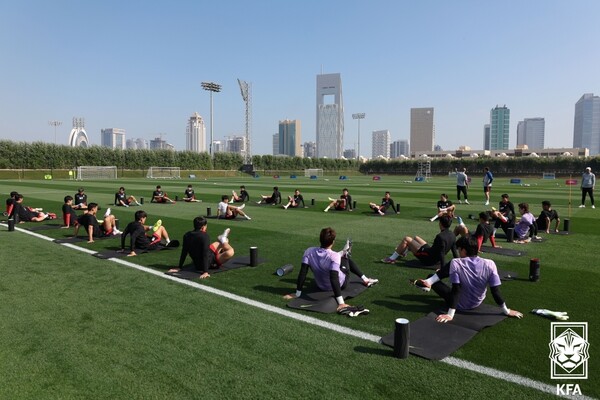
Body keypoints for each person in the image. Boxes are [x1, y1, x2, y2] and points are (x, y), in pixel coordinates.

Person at [410, 236, 523, 323]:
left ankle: (429, 281)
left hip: (459, 304)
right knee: (445, 272)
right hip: (477, 302)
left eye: (459, 249)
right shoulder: (490, 264)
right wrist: (506, 311)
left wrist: (450, 315)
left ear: (463, 250)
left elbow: (456, 290)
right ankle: (429, 282)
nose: (459, 252)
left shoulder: (456, 263)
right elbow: (495, 291)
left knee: (432, 275)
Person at [283, 227, 378, 314]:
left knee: (336, 258)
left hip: (321, 286)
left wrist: (297, 294)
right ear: (333, 242)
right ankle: (364, 278)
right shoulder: (334, 256)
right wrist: (341, 303)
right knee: (346, 259)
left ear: (320, 239)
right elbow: (334, 278)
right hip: (341, 284)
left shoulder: (309, 251)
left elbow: (303, 273)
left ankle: (344, 252)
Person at [168, 218, 234, 279]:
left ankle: (223, 239)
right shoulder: (205, 236)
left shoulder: (186, 235)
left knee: (219, 243)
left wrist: (179, 267)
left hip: (202, 259)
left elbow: (184, 251)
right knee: (230, 251)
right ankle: (223, 239)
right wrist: (205, 271)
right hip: (208, 263)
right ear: (203, 227)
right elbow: (205, 254)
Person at [381, 215, 458, 266]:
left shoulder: (440, 236)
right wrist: (459, 263)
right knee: (416, 238)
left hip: (428, 258)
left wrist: (442, 267)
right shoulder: (452, 235)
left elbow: (441, 253)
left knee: (407, 239)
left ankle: (391, 258)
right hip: (432, 252)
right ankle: (405, 251)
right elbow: (454, 252)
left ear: (440, 223)